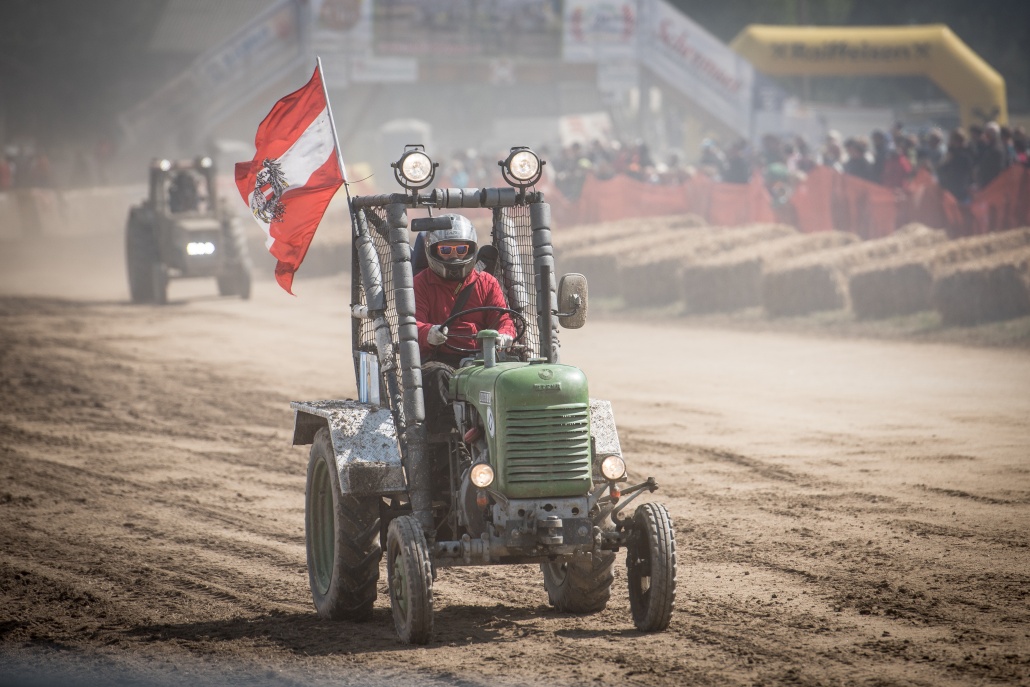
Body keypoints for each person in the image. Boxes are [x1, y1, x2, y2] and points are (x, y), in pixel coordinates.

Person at [415, 213, 516, 431]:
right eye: (446, 250)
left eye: (461, 250)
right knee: (435, 376)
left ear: (471, 250)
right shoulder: (420, 284)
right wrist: (429, 333)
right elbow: (412, 325)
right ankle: (444, 441)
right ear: (433, 251)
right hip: (440, 359)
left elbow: (503, 319)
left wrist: (505, 334)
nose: (454, 257)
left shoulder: (487, 282)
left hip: (482, 360)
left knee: (512, 378)